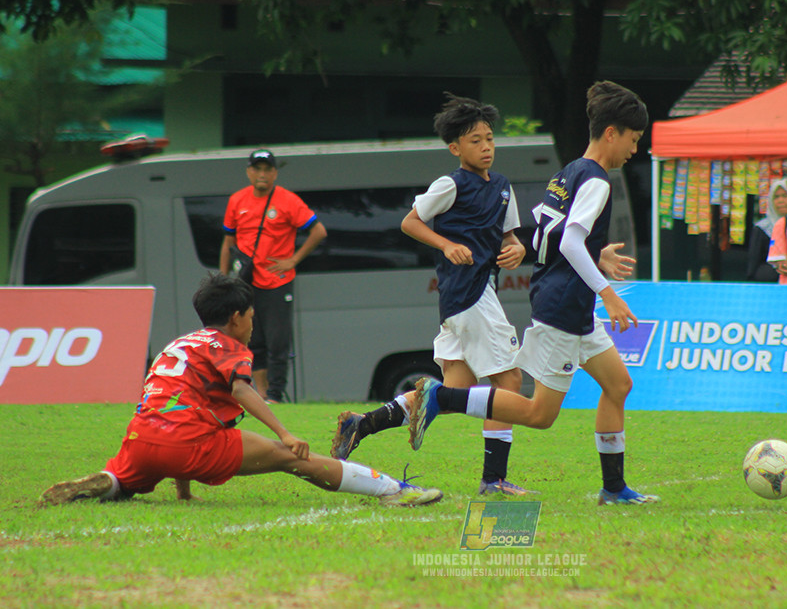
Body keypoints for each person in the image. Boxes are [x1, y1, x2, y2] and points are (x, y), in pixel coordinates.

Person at [405, 80, 657, 506]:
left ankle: (614, 489)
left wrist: (598, 258)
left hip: (566, 301)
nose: (634, 150)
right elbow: (570, 243)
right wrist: (607, 291)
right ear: (612, 133)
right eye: (633, 140)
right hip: (564, 305)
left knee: (618, 385)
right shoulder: (597, 181)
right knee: (539, 415)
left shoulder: (569, 172)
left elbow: (547, 235)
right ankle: (440, 396)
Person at [39, 273, 442, 507]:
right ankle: (394, 490)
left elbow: (180, 403)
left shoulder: (179, 345)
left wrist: (183, 490)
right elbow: (241, 390)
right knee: (291, 458)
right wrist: (285, 433)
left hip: (141, 438)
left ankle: (106, 484)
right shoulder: (229, 347)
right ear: (235, 318)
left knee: (127, 482)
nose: (253, 325)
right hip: (187, 441)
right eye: (250, 317)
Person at [331, 93, 533, 496]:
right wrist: (445, 244)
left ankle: (362, 424)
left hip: (470, 296)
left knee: (455, 384)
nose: (486, 147)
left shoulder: (504, 188)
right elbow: (410, 222)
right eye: (475, 140)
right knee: (508, 382)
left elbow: (510, 236)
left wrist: (517, 249)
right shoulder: (451, 183)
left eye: (490, 138)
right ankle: (493, 480)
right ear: (455, 148)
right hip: (469, 294)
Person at [220, 149, 327, 403]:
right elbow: (228, 242)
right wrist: (224, 280)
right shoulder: (237, 200)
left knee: (277, 340)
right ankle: (263, 394)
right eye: (257, 169)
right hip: (246, 281)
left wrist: (293, 260)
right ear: (249, 172)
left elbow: (319, 231)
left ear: (275, 174)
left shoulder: (288, 200)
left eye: (268, 169)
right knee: (251, 338)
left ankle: (276, 395)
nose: (262, 174)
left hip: (277, 281)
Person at [746, 178, 787, 282]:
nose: (780, 201)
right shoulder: (762, 229)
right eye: (776, 197)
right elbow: (753, 264)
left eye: (785, 196)